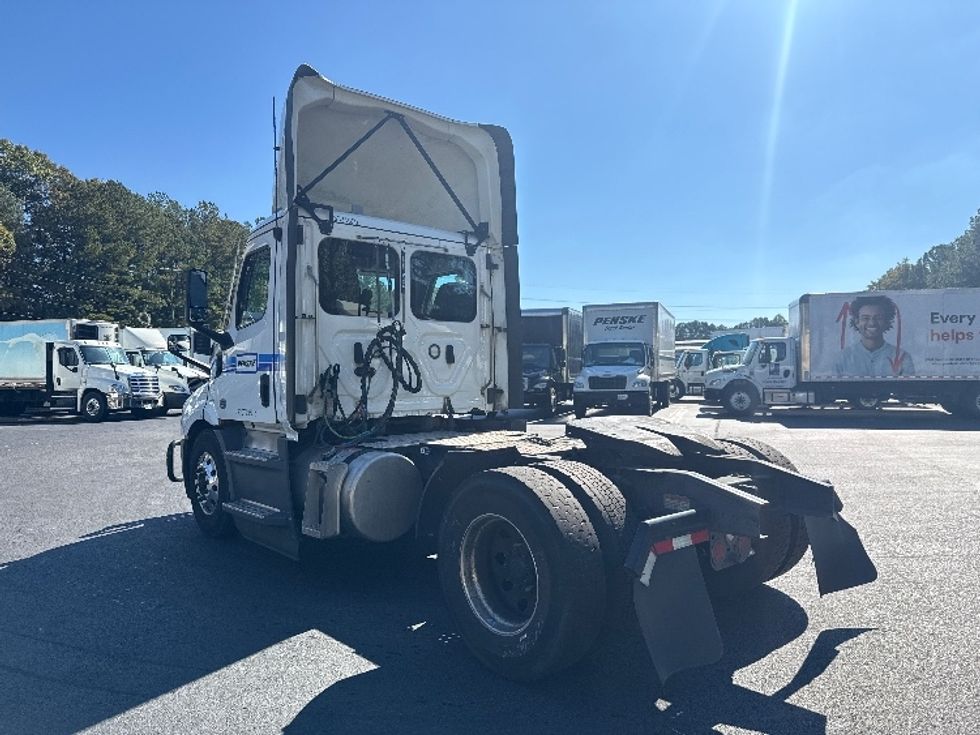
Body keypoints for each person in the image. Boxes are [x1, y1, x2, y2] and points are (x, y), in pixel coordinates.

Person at [833, 295, 914, 377]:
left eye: (878, 318)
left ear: (886, 322)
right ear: (857, 322)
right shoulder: (843, 357)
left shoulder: (902, 357)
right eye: (865, 318)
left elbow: (907, 388)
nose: (872, 323)